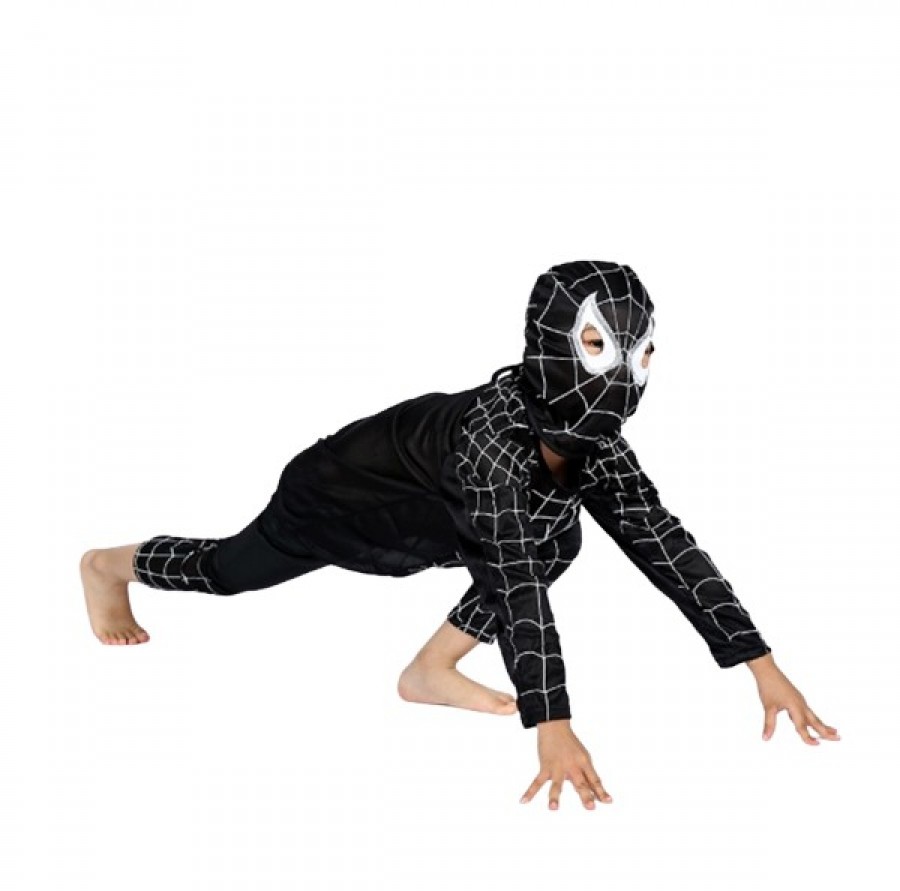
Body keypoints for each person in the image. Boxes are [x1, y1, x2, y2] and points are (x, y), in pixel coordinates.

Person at [79, 260, 840, 811]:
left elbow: (664, 543)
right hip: (341, 495)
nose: (625, 375)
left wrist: (761, 666)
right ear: (551, 342)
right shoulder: (491, 442)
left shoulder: (595, 446)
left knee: (558, 537)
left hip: (433, 511)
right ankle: (107, 567)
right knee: (231, 571)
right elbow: (513, 583)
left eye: (639, 354)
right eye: (596, 346)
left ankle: (428, 671)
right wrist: (553, 725)